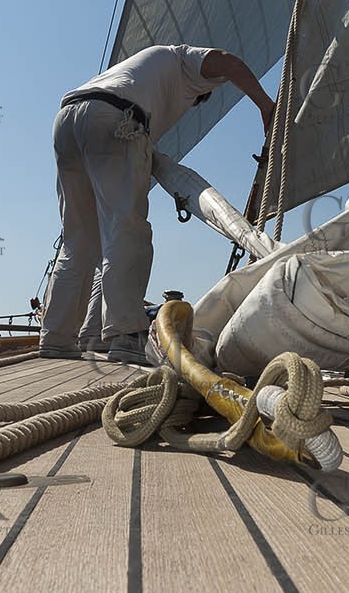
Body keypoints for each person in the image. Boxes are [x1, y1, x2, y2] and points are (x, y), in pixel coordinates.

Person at [39, 45, 274, 364]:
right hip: (116, 115)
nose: (192, 103)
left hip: (67, 119)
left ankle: (56, 337)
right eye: (197, 98)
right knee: (127, 229)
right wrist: (265, 105)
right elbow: (228, 61)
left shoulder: (140, 74)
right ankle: (125, 334)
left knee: (78, 238)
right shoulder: (184, 59)